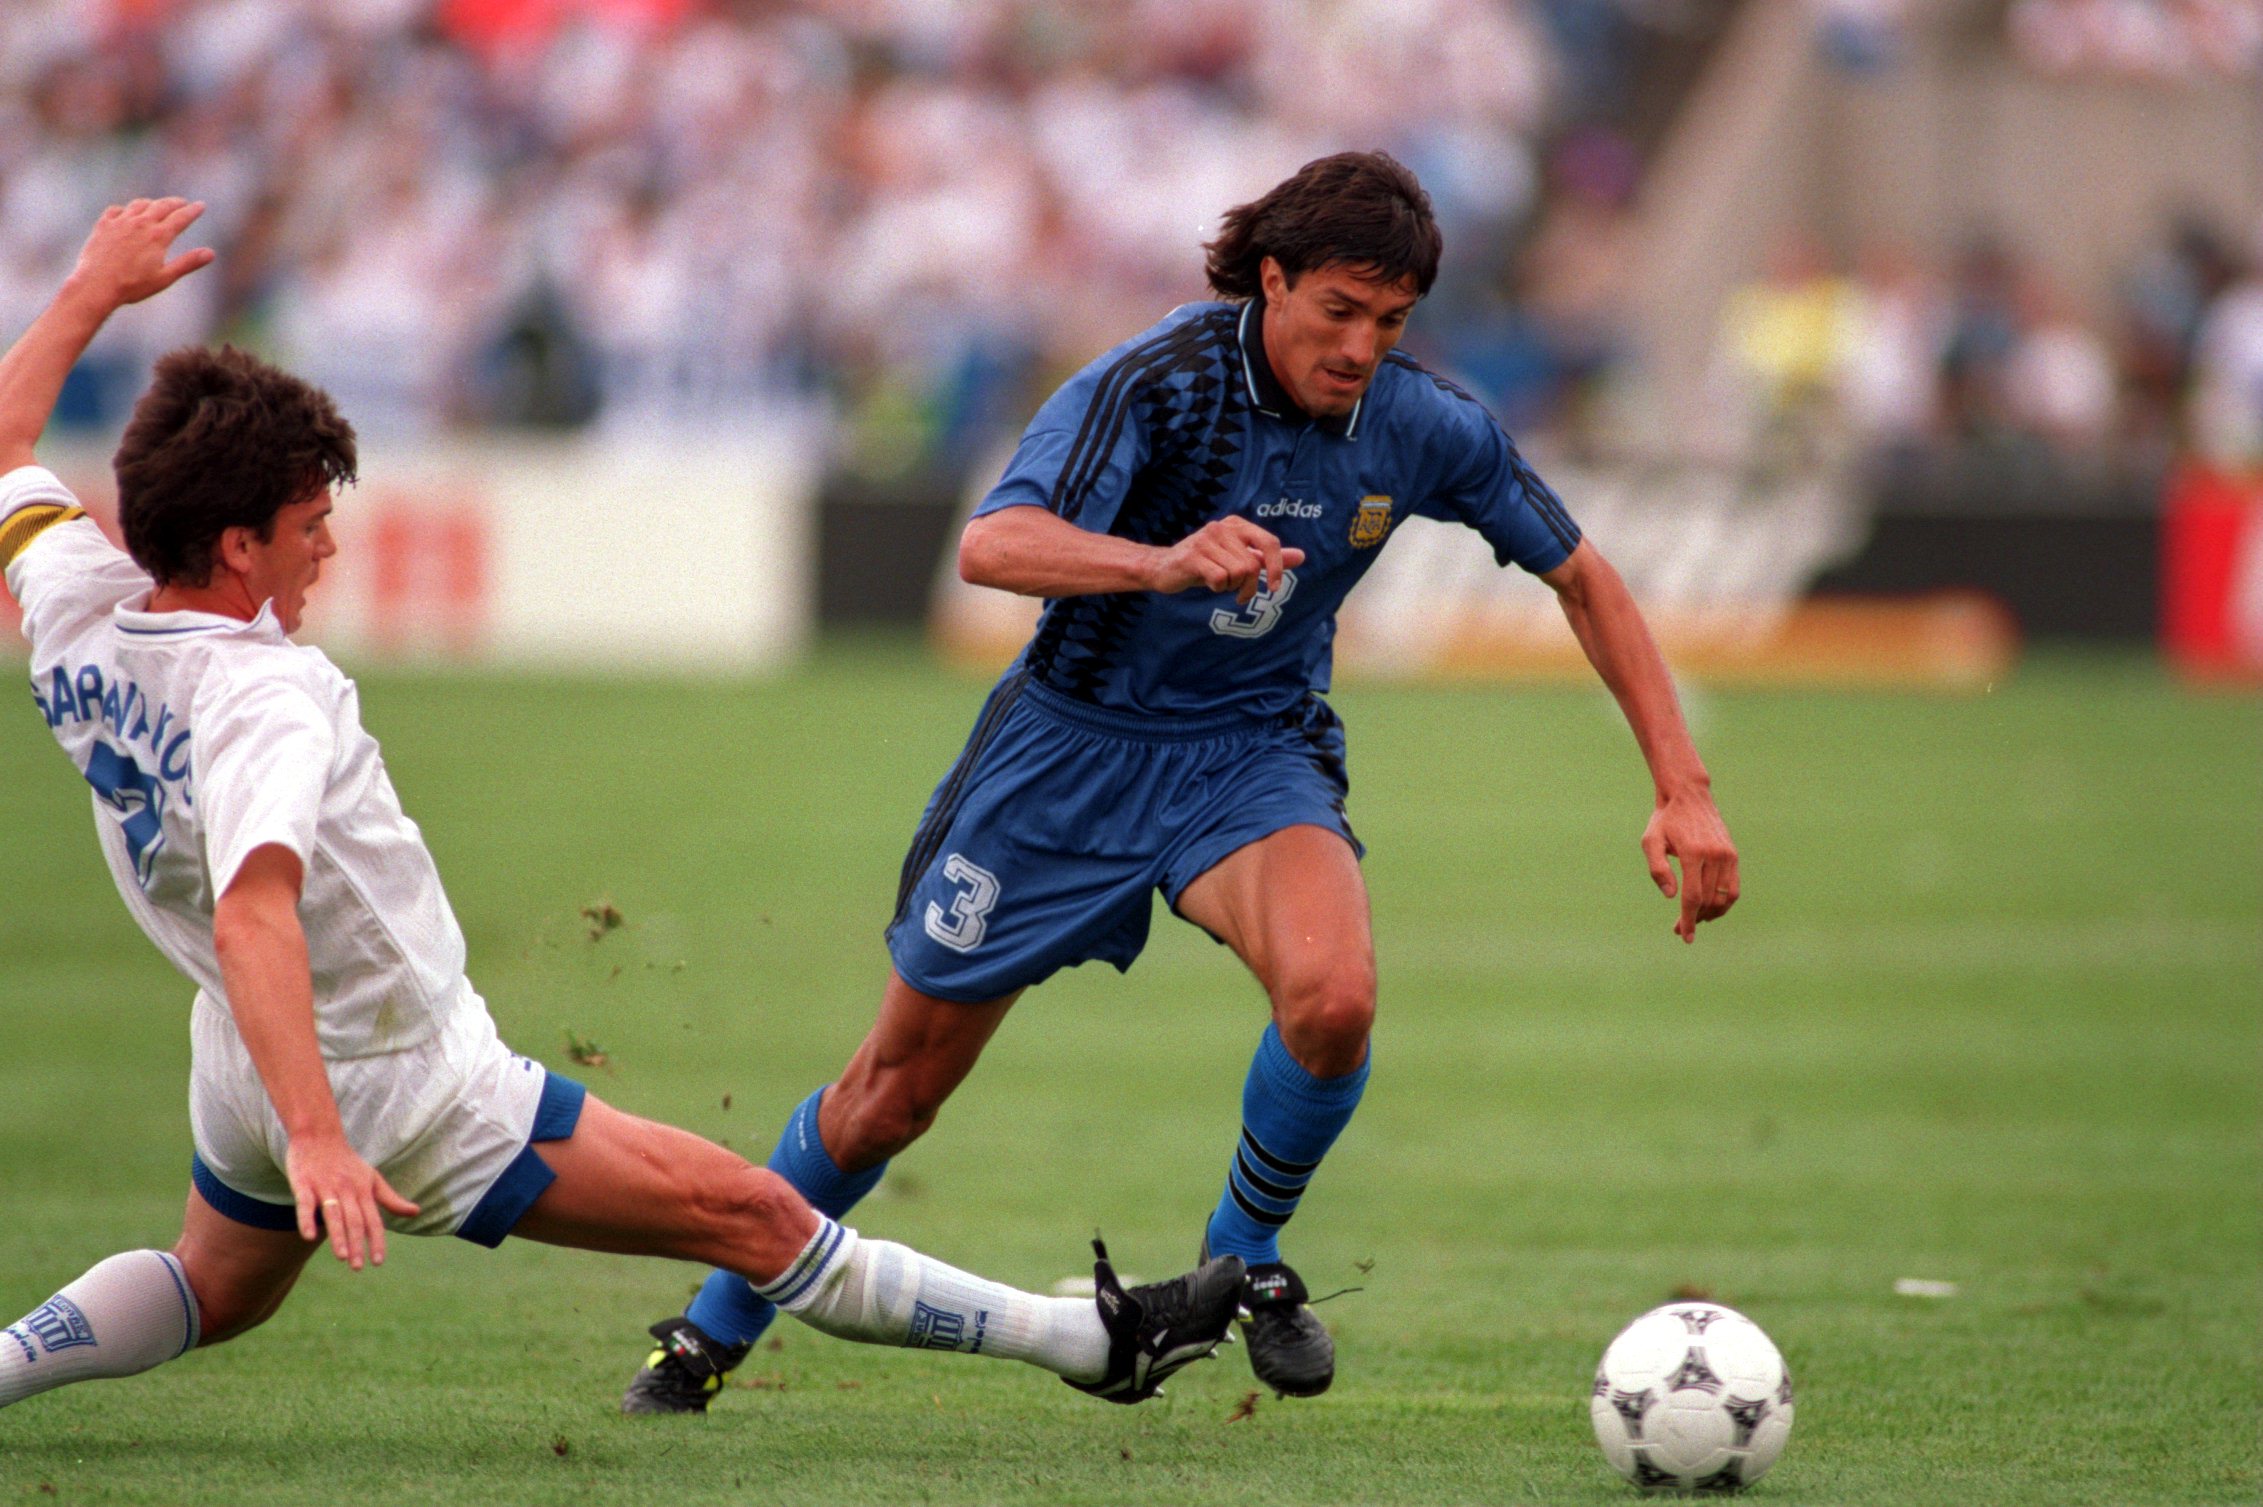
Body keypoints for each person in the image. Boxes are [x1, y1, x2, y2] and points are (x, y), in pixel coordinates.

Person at [0, 199, 1243, 1420]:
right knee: (754, 1216)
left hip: (243, 1050)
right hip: (392, 1074)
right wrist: (322, 1137)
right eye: (309, 526)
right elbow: (254, 913)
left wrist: (89, 293)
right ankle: (1086, 1342)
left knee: (213, 1287)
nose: (325, 549)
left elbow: (7, 444)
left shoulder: (75, 601)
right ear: (233, 546)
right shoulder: (265, 692)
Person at [623, 150, 1741, 1413]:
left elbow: (1583, 576)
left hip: (1247, 755)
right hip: (1061, 762)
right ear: (1272, 280)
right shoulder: (1156, 383)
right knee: (889, 1099)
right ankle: (705, 1333)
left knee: (1333, 999)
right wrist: (1160, 562)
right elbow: (994, 543)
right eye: (1337, 312)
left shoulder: (1424, 425)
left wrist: (1682, 787)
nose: (1362, 346)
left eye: (1390, 321)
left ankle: (1244, 1256)